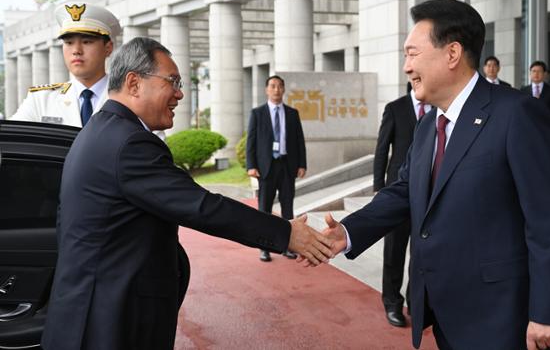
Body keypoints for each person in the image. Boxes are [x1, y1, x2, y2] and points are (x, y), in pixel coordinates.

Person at [40, 37, 333, 350]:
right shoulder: (129, 144)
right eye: (172, 82)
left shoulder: (98, 131)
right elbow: (202, 207)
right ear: (134, 83)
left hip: (86, 314)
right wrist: (286, 233)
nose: (180, 93)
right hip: (108, 323)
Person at [317, 0, 550, 350]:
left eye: (412, 54)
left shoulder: (517, 114)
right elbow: (405, 190)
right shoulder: (428, 125)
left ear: (452, 53)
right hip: (444, 310)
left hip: (500, 316)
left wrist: (547, 311)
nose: (406, 67)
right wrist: (347, 232)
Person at [373, 80, 429, 327]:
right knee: (394, 251)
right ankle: (392, 303)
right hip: (397, 192)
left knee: (420, 254)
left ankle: (415, 303)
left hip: (428, 194)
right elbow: (382, 149)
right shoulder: (395, 108)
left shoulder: (438, 109)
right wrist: (379, 188)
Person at [11, 2, 120, 127]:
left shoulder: (128, 98)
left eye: (87, 42)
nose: (76, 50)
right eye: (69, 43)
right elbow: (10, 138)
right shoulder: (41, 100)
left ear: (108, 48)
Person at [246, 75, 307, 262]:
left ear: (284, 90)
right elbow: (251, 141)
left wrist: (302, 164)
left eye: (280, 86)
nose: (276, 89)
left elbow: (299, 140)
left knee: (288, 209)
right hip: (266, 168)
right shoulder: (258, 113)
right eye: (272, 86)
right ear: (266, 90)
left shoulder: (292, 113)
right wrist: (251, 165)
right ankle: (264, 247)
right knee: (264, 209)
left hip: (287, 166)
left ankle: (289, 246)